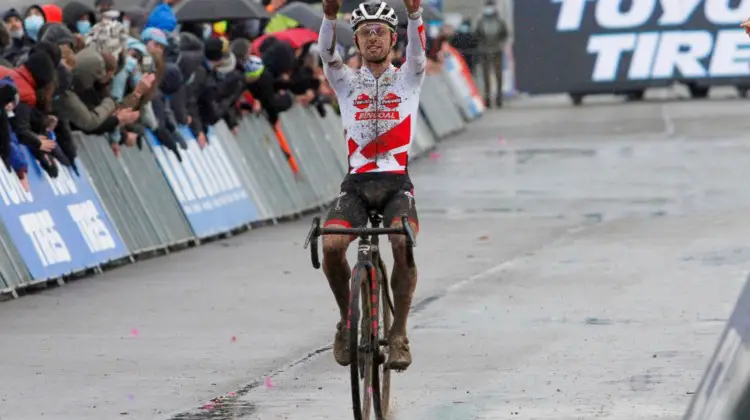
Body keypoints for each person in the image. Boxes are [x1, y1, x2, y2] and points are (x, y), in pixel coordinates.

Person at [319, 0, 425, 372]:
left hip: (396, 185)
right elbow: (326, 52)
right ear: (358, 41)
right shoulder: (346, 82)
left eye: (380, 31)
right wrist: (329, 18)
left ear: (393, 38)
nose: (373, 38)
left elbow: (418, 49)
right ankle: (347, 322)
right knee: (331, 245)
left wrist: (415, 16)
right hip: (357, 187)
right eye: (365, 32)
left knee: (400, 240)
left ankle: (398, 334)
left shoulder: (409, 76)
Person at [472, 0, 509, 108]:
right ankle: (487, 97)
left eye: (490, 6)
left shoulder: (499, 21)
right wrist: (481, 43)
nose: (489, 8)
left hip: (497, 50)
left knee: (498, 75)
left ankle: (499, 96)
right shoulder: (481, 21)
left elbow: (504, 34)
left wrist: (500, 43)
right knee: (486, 76)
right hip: (484, 51)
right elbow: (476, 35)